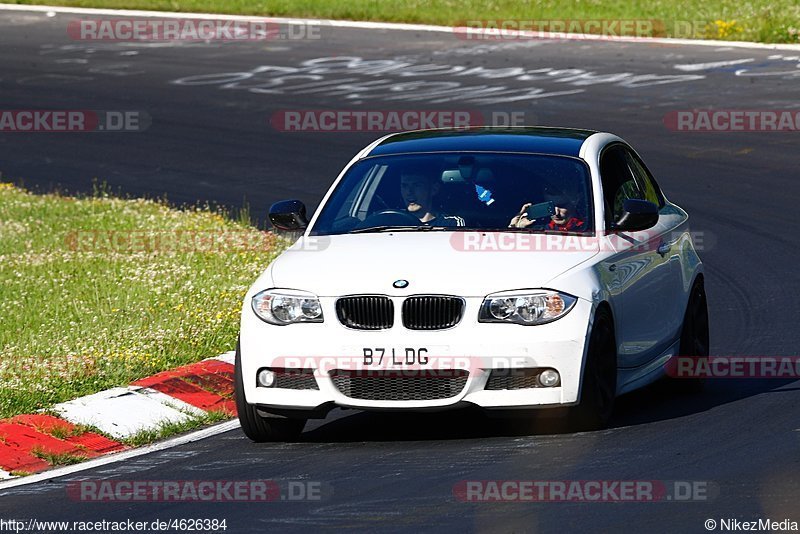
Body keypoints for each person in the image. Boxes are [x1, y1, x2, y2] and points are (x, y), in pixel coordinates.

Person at [400, 170, 465, 227]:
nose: (409, 192)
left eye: (417, 185)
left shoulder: (451, 223)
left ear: (434, 189)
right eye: (404, 186)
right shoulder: (394, 221)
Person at [508, 191, 586, 232]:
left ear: (575, 200)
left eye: (561, 206)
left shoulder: (589, 225)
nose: (555, 212)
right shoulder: (538, 227)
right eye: (550, 207)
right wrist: (515, 228)